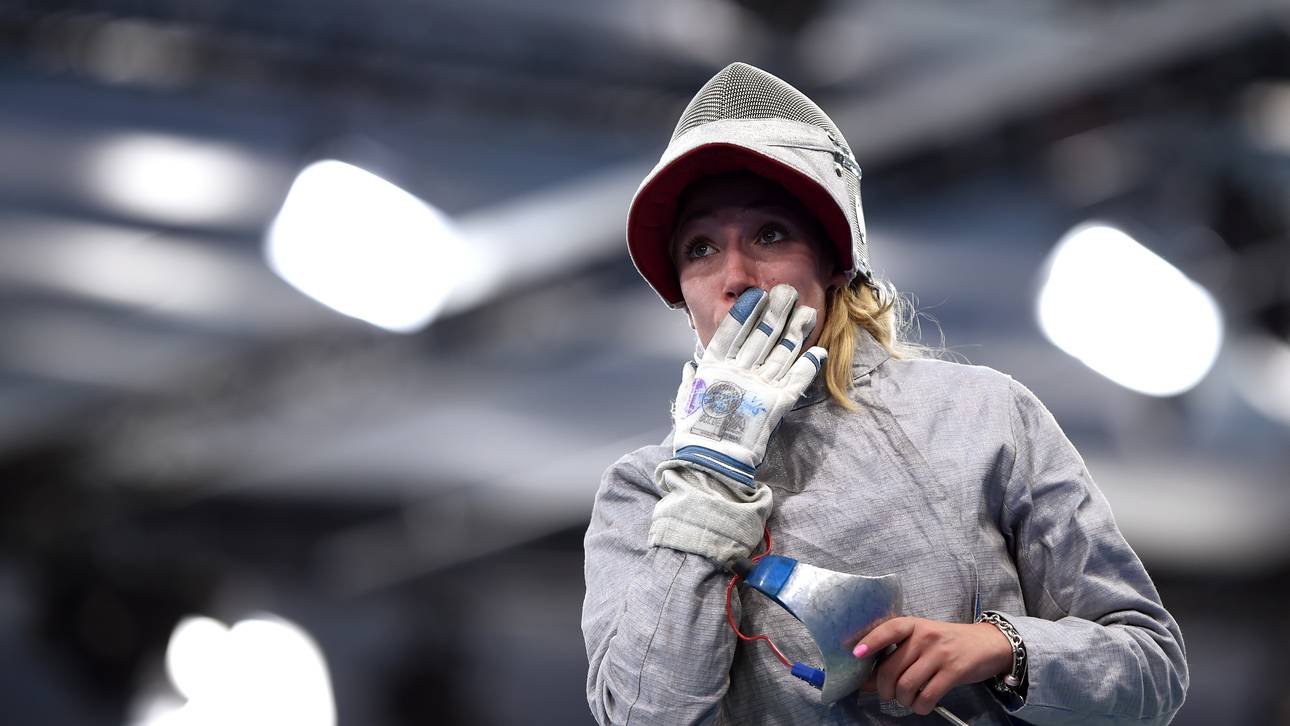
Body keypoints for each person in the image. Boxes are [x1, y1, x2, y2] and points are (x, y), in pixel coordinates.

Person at [581, 62, 1188, 725]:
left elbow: (1149, 668)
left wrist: (1002, 647)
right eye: (699, 248)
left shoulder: (982, 417)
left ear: (836, 257)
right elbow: (640, 714)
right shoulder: (645, 494)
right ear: (682, 292)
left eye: (770, 234)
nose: (735, 275)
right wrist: (705, 485)